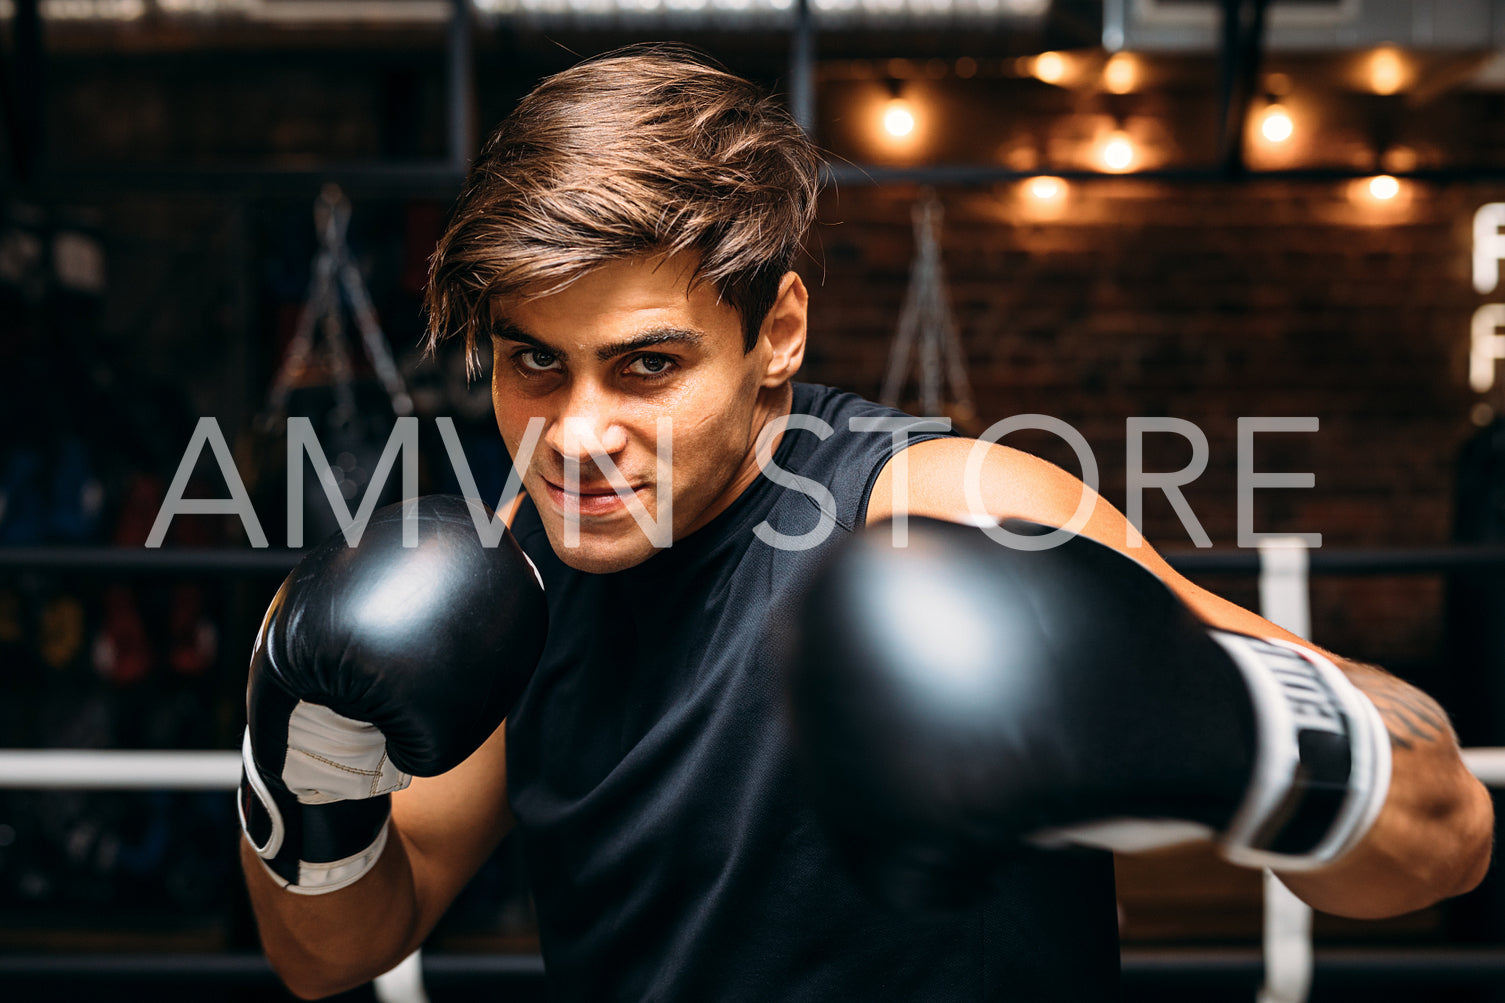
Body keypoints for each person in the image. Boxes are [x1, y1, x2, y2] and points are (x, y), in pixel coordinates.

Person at [238, 45, 1494, 1001]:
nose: (573, 434)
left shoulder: (949, 508)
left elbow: (1442, 830)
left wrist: (1217, 722)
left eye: (644, 367)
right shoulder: (513, 578)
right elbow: (336, 950)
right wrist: (300, 744)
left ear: (776, 331)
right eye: (533, 364)